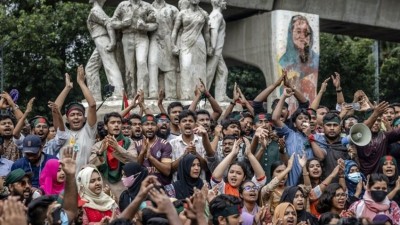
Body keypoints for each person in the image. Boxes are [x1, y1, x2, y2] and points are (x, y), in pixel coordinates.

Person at [55, 66, 97, 173]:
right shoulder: (62, 133)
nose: (76, 117)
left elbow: (92, 105)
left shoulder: (89, 131)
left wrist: (81, 83)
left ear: (84, 118)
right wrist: (67, 88)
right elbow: (55, 109)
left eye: (79, 114)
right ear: (67, 119)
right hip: (64, 182)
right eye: (72, 115)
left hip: (85, 181)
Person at [111, 0, 157, 97]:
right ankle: (131, 93)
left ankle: (142, 93)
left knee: (141, 62)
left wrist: (145, 26)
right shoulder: (122, 5)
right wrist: (123, 24)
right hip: (127, 36)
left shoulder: (147, 6)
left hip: (142, 37)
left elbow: (155, 24)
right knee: (129, 66)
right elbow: (113, 22)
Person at [89, 112, 136, 198]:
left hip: (125, 186)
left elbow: (134, 160)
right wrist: (100, 153)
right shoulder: (98, 145)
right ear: (106, 126)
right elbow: (91, 166)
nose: (116, 125)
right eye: (113, 122)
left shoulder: (129, 142)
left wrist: (118, 148)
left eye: (119, 122)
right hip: (105, 187)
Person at [171, 0, 211, 99]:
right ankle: (186, 95)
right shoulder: (182, 13)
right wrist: (173, 45)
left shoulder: (204, 14)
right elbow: (175, 30)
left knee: (200, 69)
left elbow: (206, 32)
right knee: (186, 67)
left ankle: (201, 95)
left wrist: (209, 46)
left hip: (199, 42)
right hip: (185, 42)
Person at [86, 0, 124, 101]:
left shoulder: (95, 10)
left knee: (110, 66)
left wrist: (113, 42)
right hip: (99, 40)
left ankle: (118, 93)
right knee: (90, 68)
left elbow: (108, 24)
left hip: (103, 39)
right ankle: (94, 97)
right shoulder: (97, 10)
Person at [148, 0, 179, 99]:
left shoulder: (172, 9)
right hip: (153, 39)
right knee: (152, 64)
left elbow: (178, 28)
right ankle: (153, 93)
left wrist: (176, 44)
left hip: (168, 39)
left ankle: (171, 95)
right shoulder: (148, 8)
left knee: (170, 67)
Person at [135, 114, 173, 185]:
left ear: (157, 127)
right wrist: (142, 153)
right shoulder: (136, 145)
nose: (150, 127)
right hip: (142, 188)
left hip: (162, 187)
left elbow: (167, 171)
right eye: (146, 124)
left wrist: (150, 157)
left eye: (153, 124)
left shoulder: (165, 144)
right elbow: (135, 171)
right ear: (141, 127)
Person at [206, 0, 229, 102]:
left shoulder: (215, 14)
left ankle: (221, 96)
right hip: (215, 49)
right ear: (218, 2)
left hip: (218, 50)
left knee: (223, 71)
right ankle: (202, 95)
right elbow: (213, 30)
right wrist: (213, 46)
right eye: (224, 1)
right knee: (209, 72)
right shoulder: (217, 15)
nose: (226, 3)